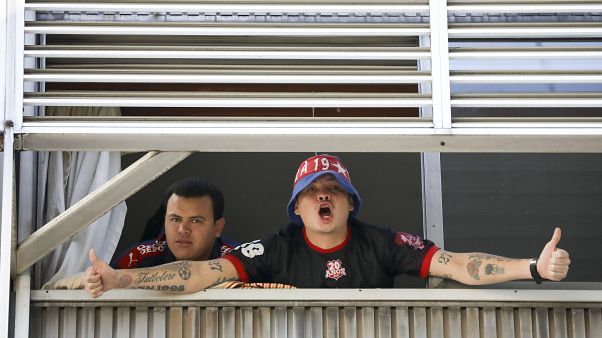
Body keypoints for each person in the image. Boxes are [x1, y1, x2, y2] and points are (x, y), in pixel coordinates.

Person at [85, 154, 570, 297]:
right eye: (312, 191)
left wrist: (533, 267)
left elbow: (457, 264)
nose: (323, 195)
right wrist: (119, 278)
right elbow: (201, 274)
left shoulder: (380, 242)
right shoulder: (275, 247)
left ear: (349, 203)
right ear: (296, 208)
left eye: (333, 189)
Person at [110, 177, 237, 269]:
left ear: (218, 228)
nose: (183, 229)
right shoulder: (136, 258)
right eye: (175, 219)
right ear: (165, 221)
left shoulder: (240, 260)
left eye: (195, 220)